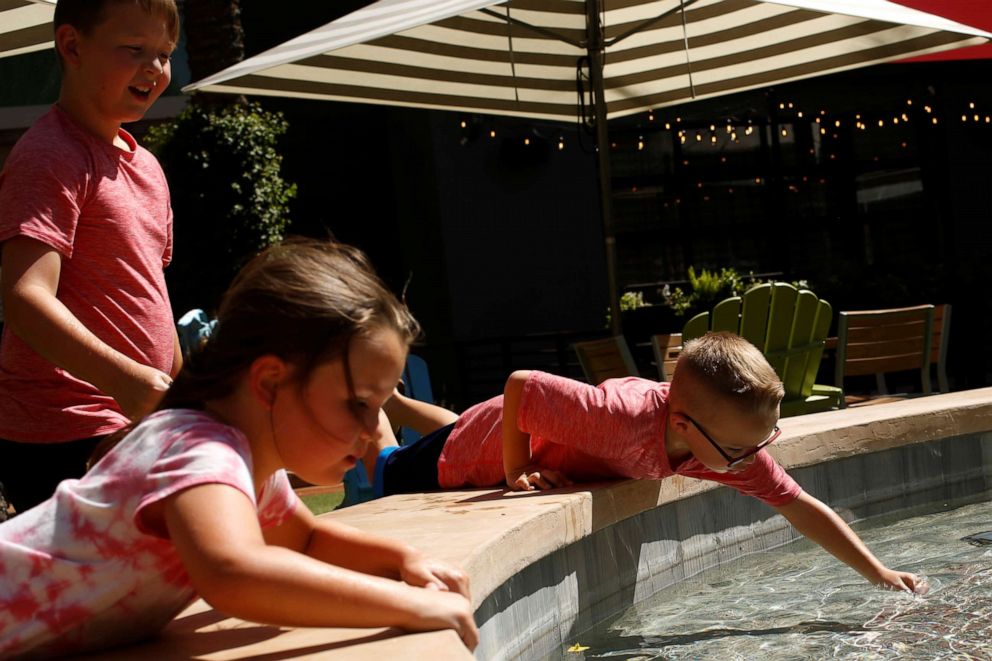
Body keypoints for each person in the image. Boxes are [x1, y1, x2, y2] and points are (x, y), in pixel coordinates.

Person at [0, 239, 479, 658]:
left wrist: (402, 559)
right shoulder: (198, 447)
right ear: (271, 381)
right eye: (357, 403)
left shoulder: (246, 461)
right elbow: (232, 573)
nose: (373, 427)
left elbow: (307, 540)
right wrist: (409, 604)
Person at [369, 332, 926, 594]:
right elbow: (521, 387)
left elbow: (800, 506)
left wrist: (878, 572)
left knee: (454, 422)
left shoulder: (724, 447)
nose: (752, 462)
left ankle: (396, 399)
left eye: (763, 442)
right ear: (683, 426)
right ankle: (376, 407)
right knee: (392, 465)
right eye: (740, 450)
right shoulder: (618, 416)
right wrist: (515, 474)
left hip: (493, 426)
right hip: (482, 451)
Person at [0, 0, 183, 515]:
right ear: (72, 46)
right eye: (134, 49)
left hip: (134, 419)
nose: (155, 68)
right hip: (62, 432)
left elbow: (152, 296)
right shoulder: (51, 155)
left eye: (165, 54)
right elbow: (24, 297)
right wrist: (126, 380)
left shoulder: (145, 167)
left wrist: (184, 398)